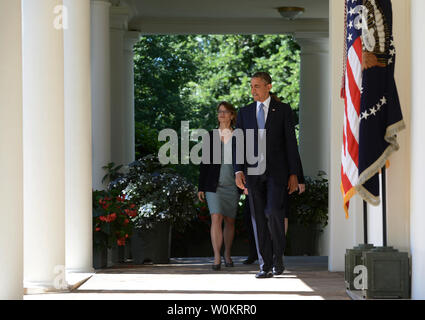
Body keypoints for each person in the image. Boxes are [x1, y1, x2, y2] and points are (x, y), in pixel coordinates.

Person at [233, 72, 299, 278]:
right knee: (258, 218)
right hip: (252, 174)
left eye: (257, 86)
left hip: (277, 173)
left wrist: (294, 173)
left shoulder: (283, 110)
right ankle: (265, 265)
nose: (253, 90)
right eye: (251, 86)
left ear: (268, 86)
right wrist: (238, 170)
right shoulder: (244, 112)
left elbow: (291, 143)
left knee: (273, 212)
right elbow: (239, 144)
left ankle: (278, 257)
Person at [198, 102, 241, 271]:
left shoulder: (239, 136)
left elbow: (245, 162)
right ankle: (216, 256)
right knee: (216, 217)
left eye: (225, 112)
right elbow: (204, 163)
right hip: (213, 185)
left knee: (230, 221)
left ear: (232, 115)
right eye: (219, 112)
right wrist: (201, 186)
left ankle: (227, 254)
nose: (221, 114)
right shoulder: (210, 136)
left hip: (232, 185)